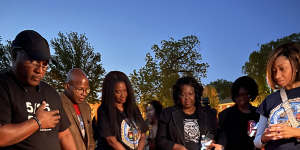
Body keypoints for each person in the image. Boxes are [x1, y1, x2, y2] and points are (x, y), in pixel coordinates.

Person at [0, 30, 76, 149]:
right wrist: (37, 122)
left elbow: (64, 134)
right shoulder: (4, 86)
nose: (40, 70)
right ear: (15, 55)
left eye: (45, 64)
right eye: (34, 61)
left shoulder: (51, 92)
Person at [254, 42, 300, 150]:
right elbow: (257, 142)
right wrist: (264, 138)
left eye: (282, 69)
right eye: (274, 71)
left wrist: (295, 132)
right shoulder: (269, 100)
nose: (277, 76)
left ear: (297, 66)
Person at [156, 76, 223, 150]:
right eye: (183, 95)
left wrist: (212, 141)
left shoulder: (208, 114)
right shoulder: (167, 113)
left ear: (196, 94)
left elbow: (216, 134)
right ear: (178, 96)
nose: (187, 98)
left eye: (190, 94)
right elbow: (160, 141)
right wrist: (177, 147)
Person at [95, 71, 148, 150]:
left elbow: (143, 135)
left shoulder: (133, 108)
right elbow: (111, 141)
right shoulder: (103, 110)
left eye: (125, 90)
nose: (123, 95)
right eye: (118, 92)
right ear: (110, 92)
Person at [217, 76, 259, 150]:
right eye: (238, 95)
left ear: (250, 95)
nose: (241, 98)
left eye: (244, 94)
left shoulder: (258, 114)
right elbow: (220, 138)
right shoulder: (225, 115)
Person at [60, 68, 95, 150]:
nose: (84, 93)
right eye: (80, 89)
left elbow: (90, 137)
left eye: (87, 90)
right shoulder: (57, 103)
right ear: (67, 86)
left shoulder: (86, 107)